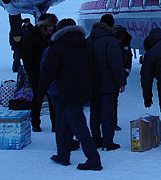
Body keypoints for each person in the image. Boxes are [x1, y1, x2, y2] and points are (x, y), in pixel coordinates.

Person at [38, 18, 102, 171]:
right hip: (81, 92)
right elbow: (96, 71)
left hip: (66, 92)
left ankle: (94, 159)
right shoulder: (87, 46)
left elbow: (48, 73)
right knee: (64, 125)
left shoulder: (58, 47)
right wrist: (94, 93)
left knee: (79, 127)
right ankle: (63, 154)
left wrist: (40, 93)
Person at [88, 14, 126, 150]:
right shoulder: (111, 41)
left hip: (92, 83)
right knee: (107, 113)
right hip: (108, 83)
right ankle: (108, 142)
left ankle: (96, 140)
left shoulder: (90, 39)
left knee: (94, 113)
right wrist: (121, 82)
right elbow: (116, 63)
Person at [21, 13, 58, 132]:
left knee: (52, 99)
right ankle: (35, 122)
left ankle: (55, 123)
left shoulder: (55, 36)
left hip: (51, 72)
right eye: (49, 26)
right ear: (43, 26)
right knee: (37, 99)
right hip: (37, 73)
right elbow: (27, 56)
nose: (51, 28)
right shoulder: (32, 35)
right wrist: (31, 73)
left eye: (52, 26)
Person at [113, 24, 133, 130]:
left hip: (118, 76)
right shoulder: (111, 44)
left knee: (113, 101)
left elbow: (128, 59)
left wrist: (125, 73)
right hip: (110, 77)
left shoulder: (125, 44)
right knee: (108, 101)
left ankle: (112, 122)